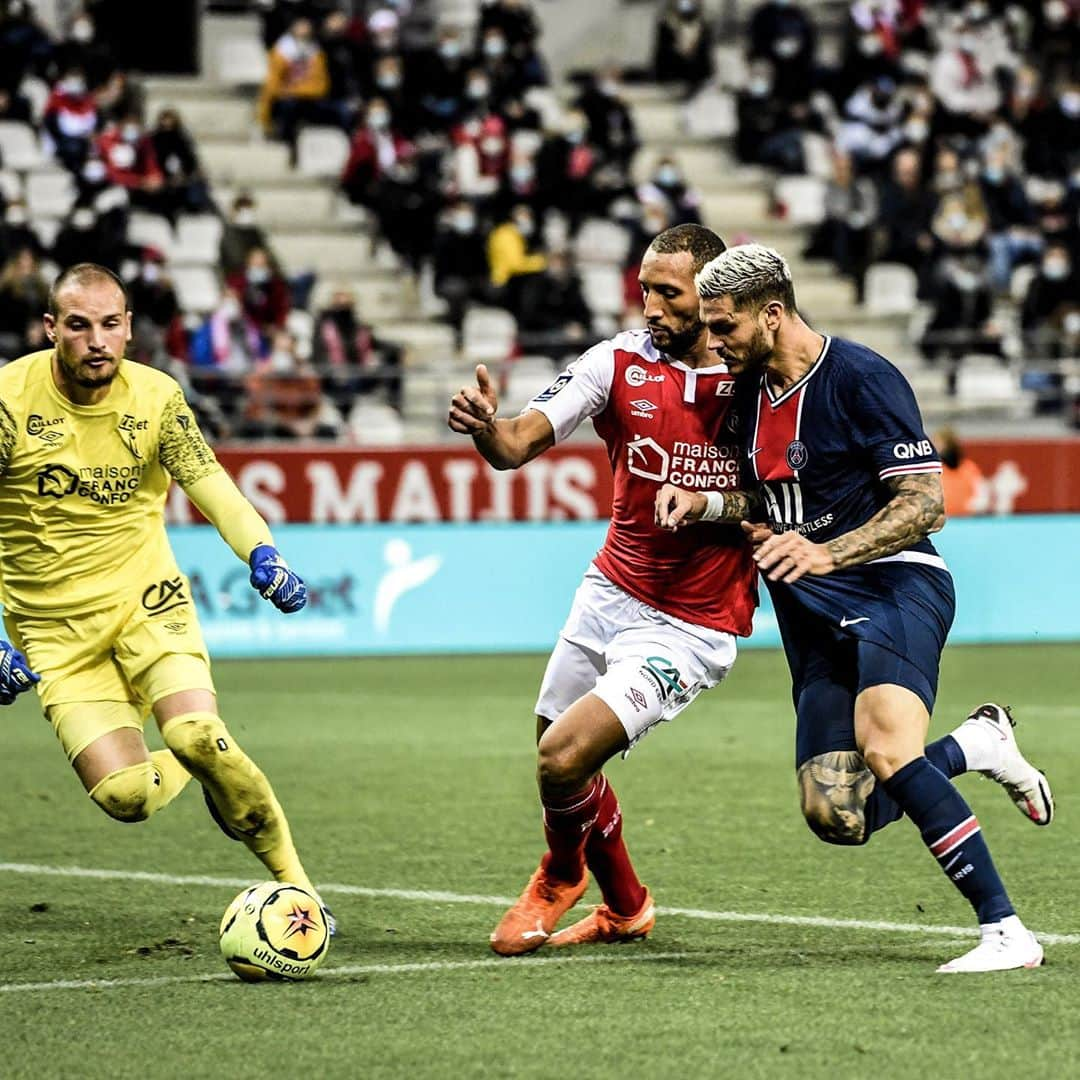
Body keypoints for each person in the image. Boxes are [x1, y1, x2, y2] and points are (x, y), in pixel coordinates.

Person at [656, 243, 1052, 973]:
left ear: (772, 314)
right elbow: (766, 498)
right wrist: (708, 502)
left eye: (725, 326)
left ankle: (1006, 932)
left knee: (887, 749)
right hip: (809, 607)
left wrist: (829, 553)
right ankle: (976, 747)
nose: (714, 342)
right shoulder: (742, 399)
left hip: (892, 585)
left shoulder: (862, 378)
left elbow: (925, 504)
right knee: (838, 814)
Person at [447, 224, 757, 954]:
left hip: (692, 623)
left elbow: (787, 493)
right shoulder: (616, 361)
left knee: (563, 756)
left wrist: (714, 505)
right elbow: (518, 443)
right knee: (555, 757)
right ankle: (626, 906)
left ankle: (559, 875)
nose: (649, 305)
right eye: (644, 288)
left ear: (712, 295)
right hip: (610, 592)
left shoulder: (758, 381)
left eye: (667, 292)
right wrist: (488, 428)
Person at [0, 263, 333, 929]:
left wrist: (263, 552)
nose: (97, 339)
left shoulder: (156, 399)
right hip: (56, 635)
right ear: (50, 329)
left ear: (128, 328)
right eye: (78, 325)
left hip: (149, 605)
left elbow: (214, 488)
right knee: (126, 797)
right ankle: (201, 773)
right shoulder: (10, 404)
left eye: (110, 324)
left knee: (197, 733)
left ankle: (302, 893)